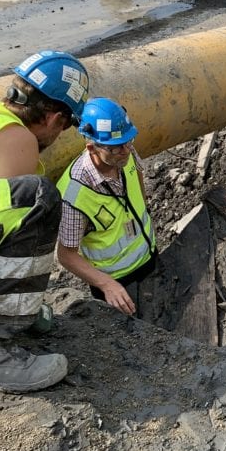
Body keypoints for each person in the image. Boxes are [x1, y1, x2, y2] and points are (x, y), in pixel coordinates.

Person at [0, 51, 90, 394]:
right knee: (34, 199)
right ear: (56, 118)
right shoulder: (18, 139)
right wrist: (13, 307)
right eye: (68, 125)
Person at [57, 98, 157, 316]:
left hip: (148, 254)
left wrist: (144, 208)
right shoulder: (75, 197)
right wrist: (106, 285)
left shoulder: (123, 151)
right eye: (116, 148)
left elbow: (137, 175)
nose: (126, 151)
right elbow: (66, 255)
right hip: (116, 280)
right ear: (91, 147)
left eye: (129, 142)